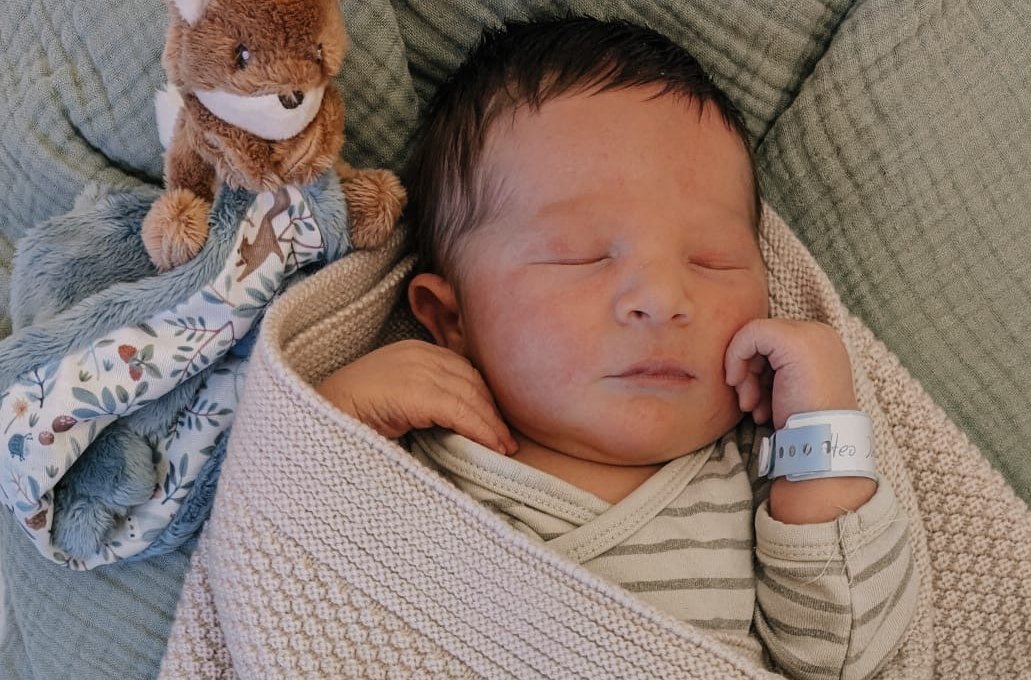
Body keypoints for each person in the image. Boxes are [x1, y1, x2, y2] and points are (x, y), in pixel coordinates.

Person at [317, 17, 917, 679]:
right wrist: (336, 418)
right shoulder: (410, 458)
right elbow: (288, 582)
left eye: (711, 260)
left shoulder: (761, 476)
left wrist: (821, 429)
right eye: (581, 255)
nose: (661, 297)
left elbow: (843, 655)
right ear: (450, 317)